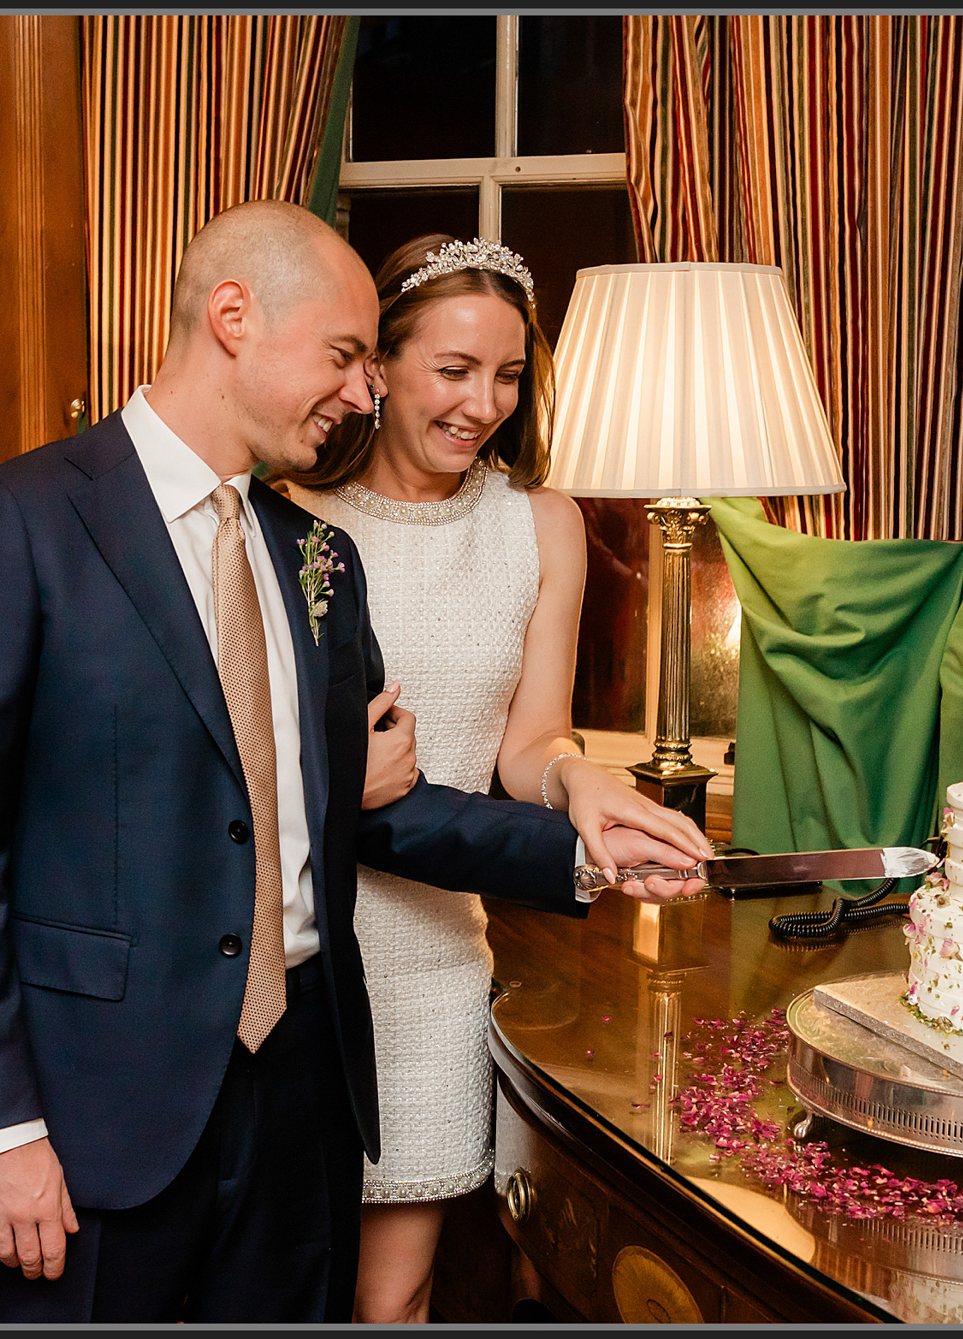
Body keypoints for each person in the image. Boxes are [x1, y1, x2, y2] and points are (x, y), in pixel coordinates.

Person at [0, 200, 706, 1324]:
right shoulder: (17, 523)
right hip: (100, 1110)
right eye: (342, 356)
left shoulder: (314, 555)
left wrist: (581, 846)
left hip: (302, 1094)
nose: (363, 392)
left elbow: (377, 814)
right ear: (233, 318)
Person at [284, 234, 715, 1324]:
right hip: (297, 957)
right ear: (375, 367)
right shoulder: (292, 520)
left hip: (433, 958)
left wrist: (577, 785)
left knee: (397, 1295)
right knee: (283, 1284)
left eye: (509, 375)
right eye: (454, 369)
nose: (484, 403)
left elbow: (527, 741)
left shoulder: (539, 525)